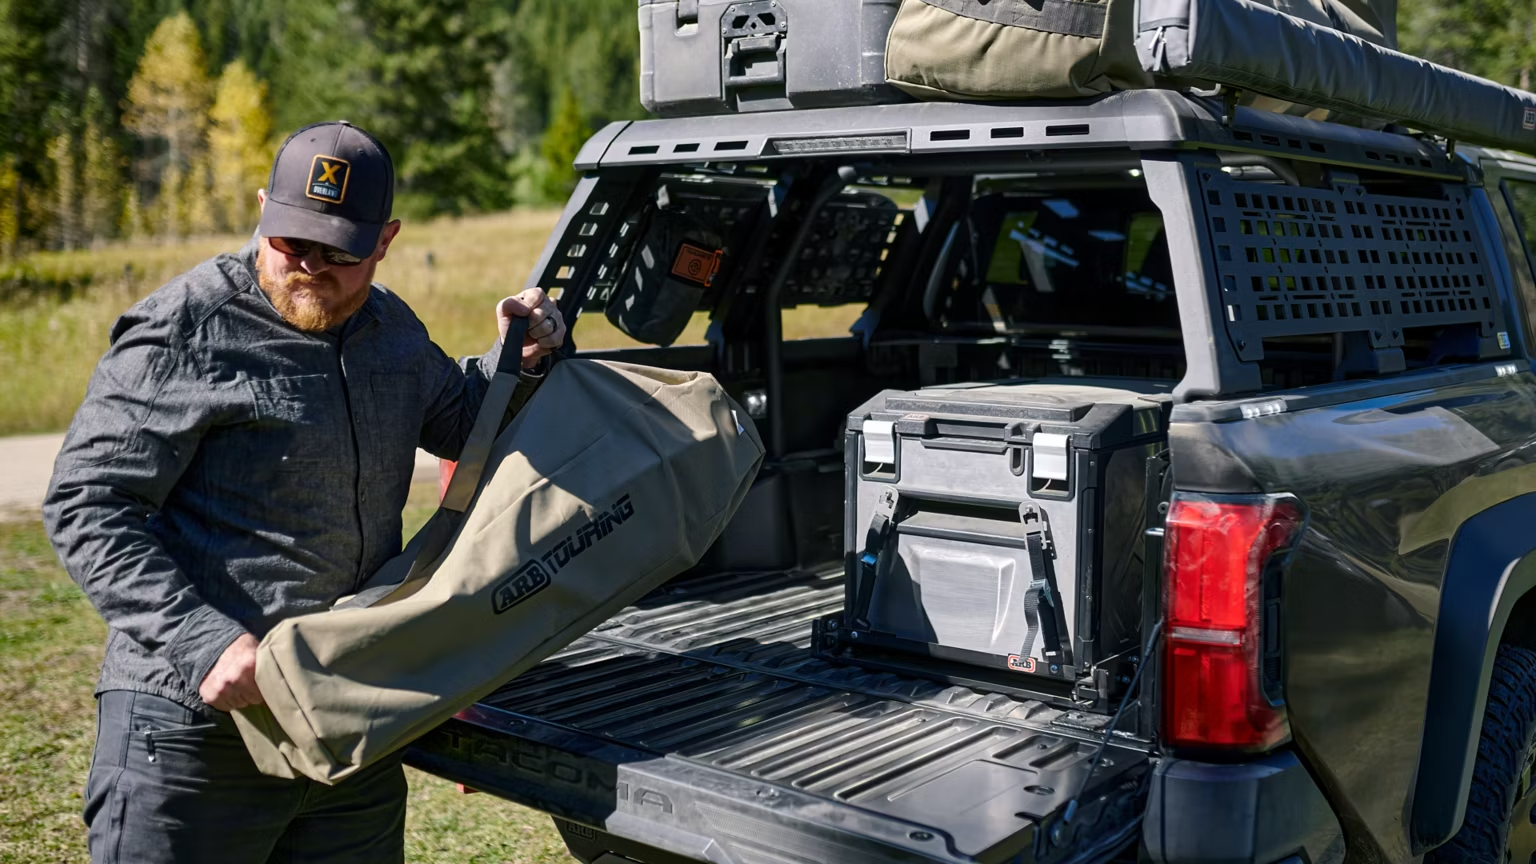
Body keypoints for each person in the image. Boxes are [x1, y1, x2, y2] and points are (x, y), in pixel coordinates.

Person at [42, 120, 566, 863]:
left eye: (340, 252)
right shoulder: (187, 328)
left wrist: (531, 357)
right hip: (194, 731)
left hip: (347, 724)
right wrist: (205, 640)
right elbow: (88, 505)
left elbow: (466, 424)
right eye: (293, 242)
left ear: (384, 240)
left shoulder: (393, 331)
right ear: (263, 210)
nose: (311, 267)